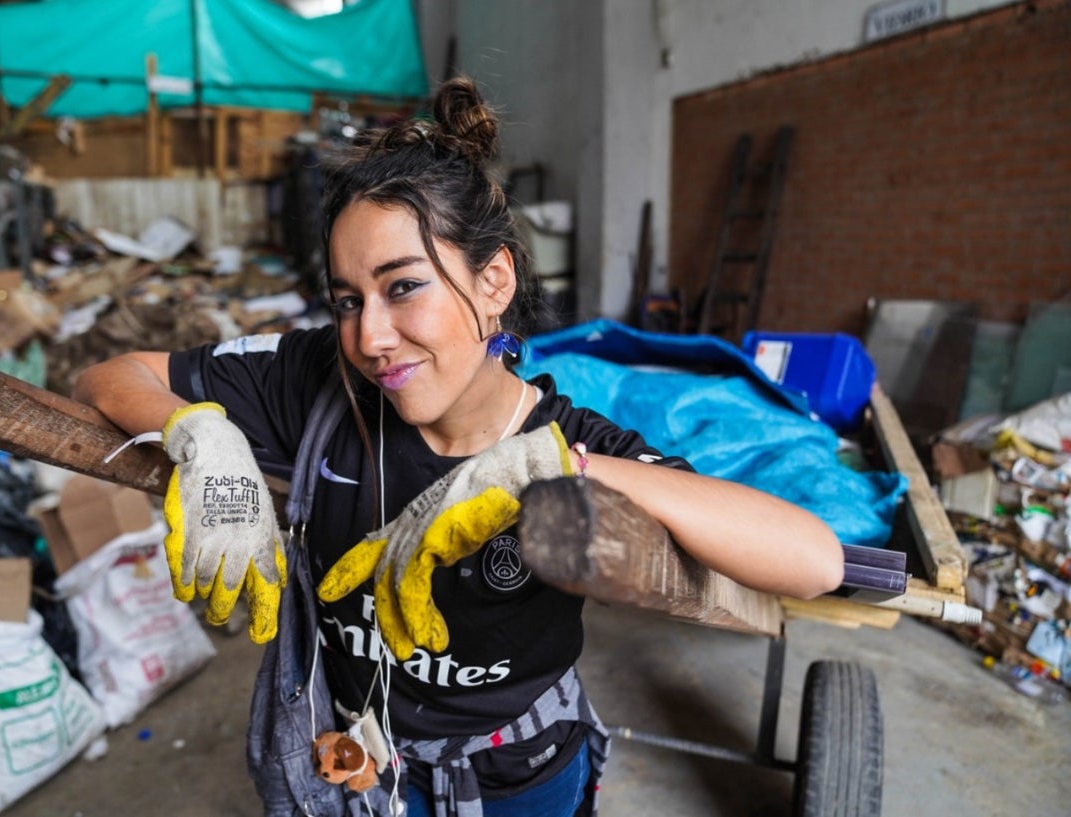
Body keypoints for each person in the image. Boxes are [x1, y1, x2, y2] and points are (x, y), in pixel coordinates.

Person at [72, 76, 843, 817]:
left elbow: (815, 559)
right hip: (353, 764)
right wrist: (200, 436)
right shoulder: (318, 378)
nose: (370, 337)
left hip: (520, 779)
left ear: (494, 281)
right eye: (348, 299)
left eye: (404, 285)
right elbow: (111, 374)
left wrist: (549, 466)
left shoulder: (564, 445)